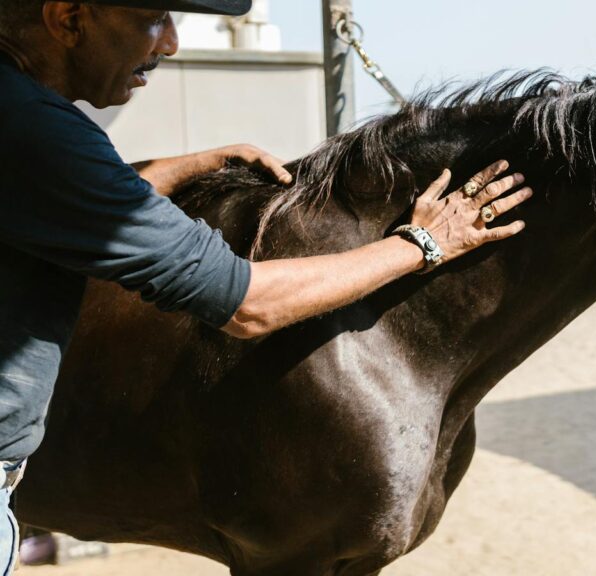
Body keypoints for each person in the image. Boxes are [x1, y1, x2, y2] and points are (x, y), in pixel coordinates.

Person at [0, 0, 532, 571]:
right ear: (69, 18)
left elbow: (56, 197)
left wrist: (177, 169)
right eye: (155, 16)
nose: (171, 42)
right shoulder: (33, 128)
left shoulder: (20, 116)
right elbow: (246, 302)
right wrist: (421, 244)